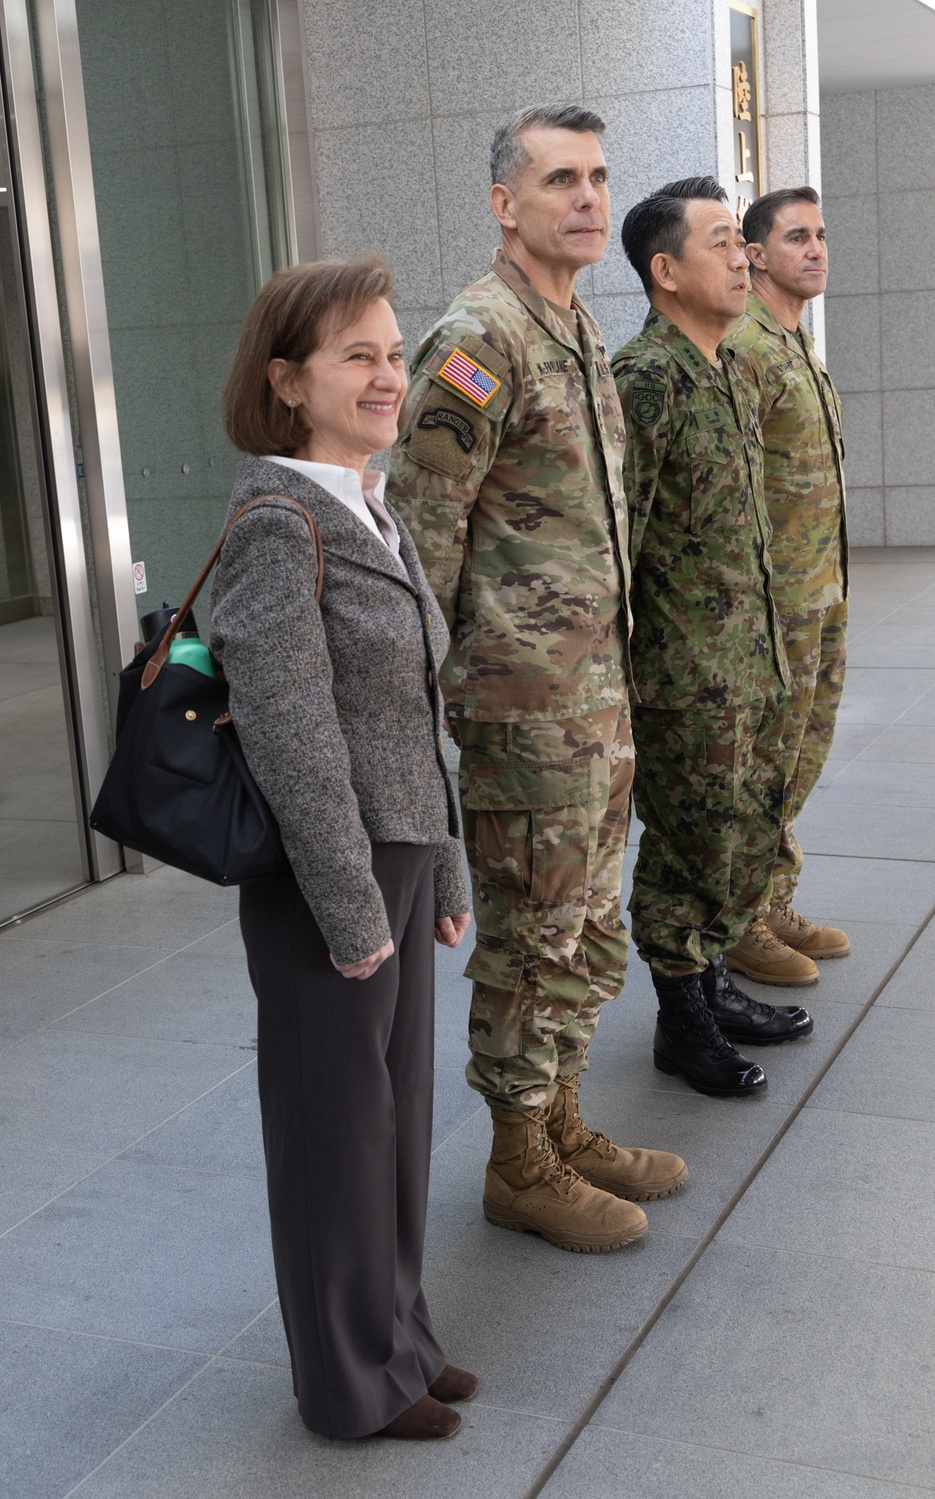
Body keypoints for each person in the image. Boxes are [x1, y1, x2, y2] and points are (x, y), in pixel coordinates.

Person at [387, 104, 686, 1254]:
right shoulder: (480, 340)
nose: (589, 197)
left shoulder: (570, 327)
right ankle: (518, 1162)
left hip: (592, 704)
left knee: (586, 920)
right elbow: (421, 541)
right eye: (560, 177)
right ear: (505, 204)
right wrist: (440, 703)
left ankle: (560, 1119)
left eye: (600, 176)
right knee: (532, 932)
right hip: (525, 712)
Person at [209, 256, 475, 1441]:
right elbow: (289, 724)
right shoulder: (278, 518)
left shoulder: (369, 502)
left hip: (400, 849)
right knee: (335, 1130)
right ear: (286, 380)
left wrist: (447, 869)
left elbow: (417, 709)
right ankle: (348, 1383)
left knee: (394, 1119)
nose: (386, 372)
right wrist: (351, 901)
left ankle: (399, 1343)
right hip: (335, 870)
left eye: (393, 348)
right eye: (354, 354)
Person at [613, 178, 814, 1100]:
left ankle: (713, 986)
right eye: (723, 243)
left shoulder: (730, 365)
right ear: (666, 271)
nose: (744, 257)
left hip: (748, 658)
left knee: (733, 838)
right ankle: (681, 1022)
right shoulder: (645, 382)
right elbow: (624, 544)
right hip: (685, 673)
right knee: (686, 849)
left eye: (744, 242)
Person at [727, 186, 850, 983]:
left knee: (799, 759)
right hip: (775, 606)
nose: (815, 249)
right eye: (796, 237)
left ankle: (773, 898)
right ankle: (741, 922)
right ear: (756, 255)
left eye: (821, 235)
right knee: (766, 762)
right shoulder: (746, 348)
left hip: (821, 592)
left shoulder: (798, 344)